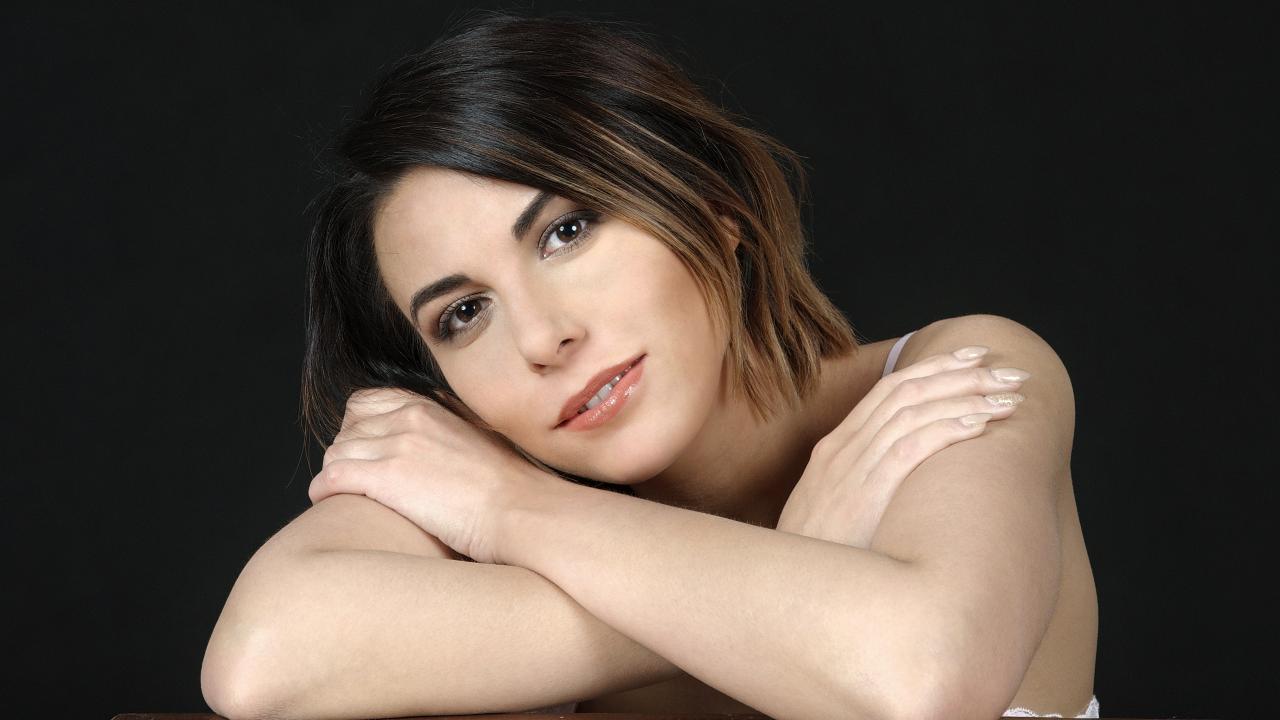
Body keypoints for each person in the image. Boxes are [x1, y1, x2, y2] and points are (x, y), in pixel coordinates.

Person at [202, 10, 1098, 720]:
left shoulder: (953, 378)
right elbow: (259, 661)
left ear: (713, 207)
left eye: (566, 231)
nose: (543, 338)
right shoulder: (464, 465)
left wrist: (510, 512)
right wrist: (787, 566)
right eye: (464, 314)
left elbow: (923, 684)